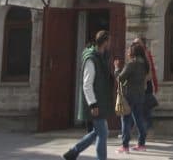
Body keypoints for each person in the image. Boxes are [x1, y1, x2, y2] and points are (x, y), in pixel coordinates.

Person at [63, 30, 113, 160]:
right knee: (103, 133)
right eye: (110, 41)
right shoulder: (91, 59)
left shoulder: (102, 57)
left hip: (100, 102)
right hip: (95, 103)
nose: (111, 43)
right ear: (105, 41)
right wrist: (93, 103)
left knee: (98, 132)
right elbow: (87, 84)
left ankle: (73, 152)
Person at [115, 41, 149, 153]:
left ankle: (125, 146)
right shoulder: (144, 64)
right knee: (139, 119)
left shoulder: (131, 64)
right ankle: (141, 144)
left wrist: (116, 69)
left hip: (129, 96)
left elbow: (120, 78)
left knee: (125, 120)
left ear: (133, 52)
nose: (127, 52)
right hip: (140, 95)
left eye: (129, 50)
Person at [133, 37, 158, 130]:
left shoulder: (146, 55)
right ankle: (129, 131)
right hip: (137, 88)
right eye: (134, 43)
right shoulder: (133, 56)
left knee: (146, 110)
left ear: (143, 45)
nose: (135, 45)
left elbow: (150, 74)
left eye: (137, 43)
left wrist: (143, 82)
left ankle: (148, 131)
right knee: (137, 109)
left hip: (145, 88)